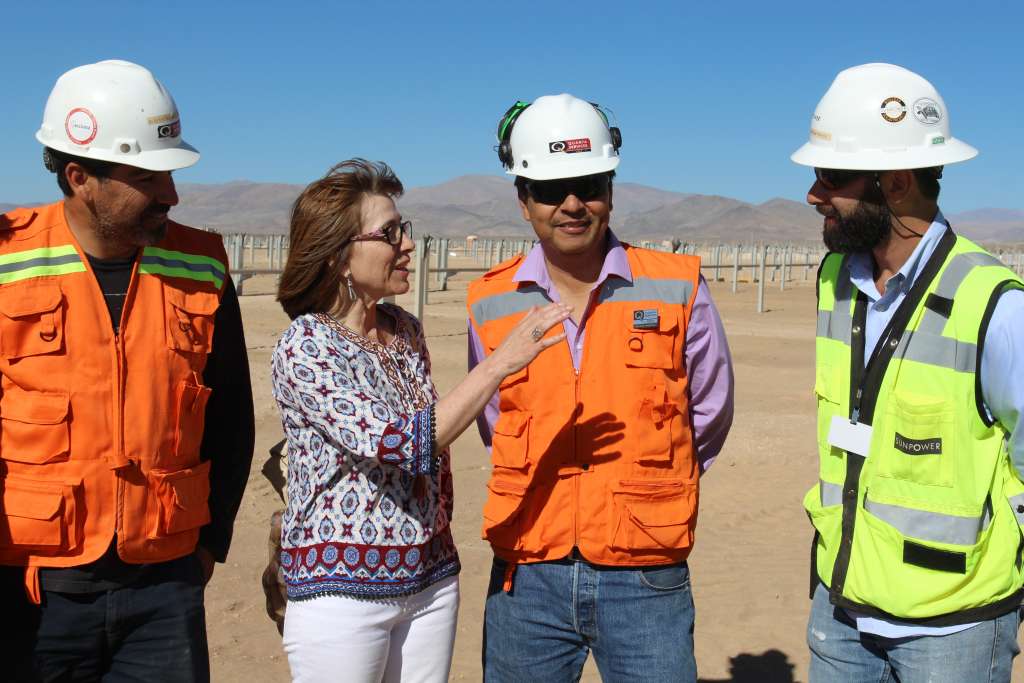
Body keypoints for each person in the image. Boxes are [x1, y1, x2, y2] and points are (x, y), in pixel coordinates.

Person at [0, 60, 255, 681]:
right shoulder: (8, 260)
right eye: (148, 176)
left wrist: (208, 543)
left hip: (164, 584)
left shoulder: (201, 262)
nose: (170, 194)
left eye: (168, 173)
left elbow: (231, 418)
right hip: (31, 586)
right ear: (79, 176)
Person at [467, 94, 735, 682]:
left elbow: (709, 413)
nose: (571, 204)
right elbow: (495, 420)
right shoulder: (490, 300)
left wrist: (648, 488)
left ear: (610, 189)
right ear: (523, 201)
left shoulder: (676, 285)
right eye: (549, 189)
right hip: (528, 568)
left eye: (588, 184)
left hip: (645, 573)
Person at [271, 158, 570, 682]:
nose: (407, 244)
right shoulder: (307, 345)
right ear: (341, 255)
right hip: (341, 595)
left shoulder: (404, 329)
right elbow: (400, 443)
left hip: (430, 579)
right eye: (389, 233)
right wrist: (501, 362)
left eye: (403, 229)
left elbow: (438, 450)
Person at [792, 63, 1024, 682]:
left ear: (894, 182)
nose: (815, 194)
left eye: (832, 176)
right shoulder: (835, 280)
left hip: (955, 626)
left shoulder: (995, 304)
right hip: (840, 608)